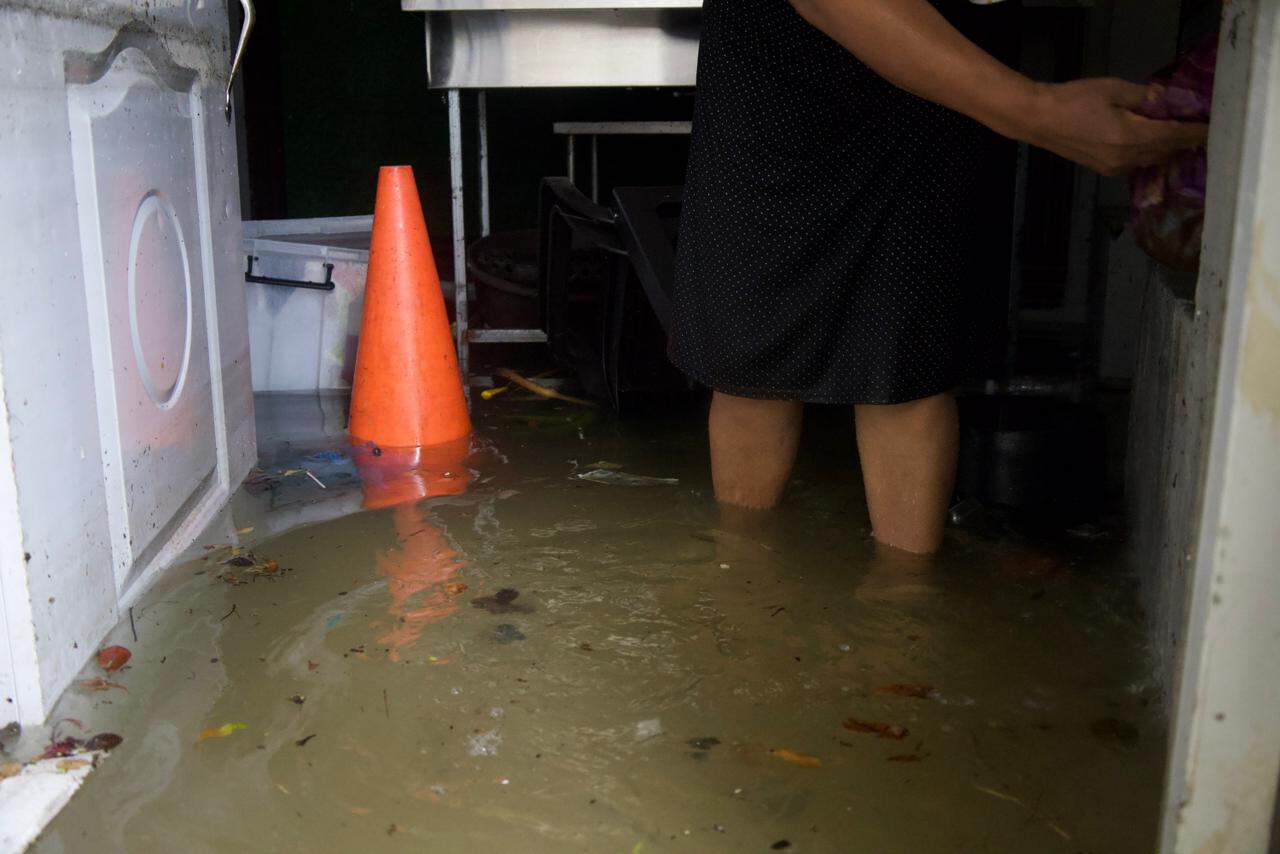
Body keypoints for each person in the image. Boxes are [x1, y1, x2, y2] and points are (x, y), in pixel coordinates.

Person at [670, 0, 1207, 554]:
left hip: (939, 65)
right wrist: (1035, 109)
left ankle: (905, 590)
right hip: (779, 68)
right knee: (754, 350)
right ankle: (741, 570)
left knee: (907, 355)